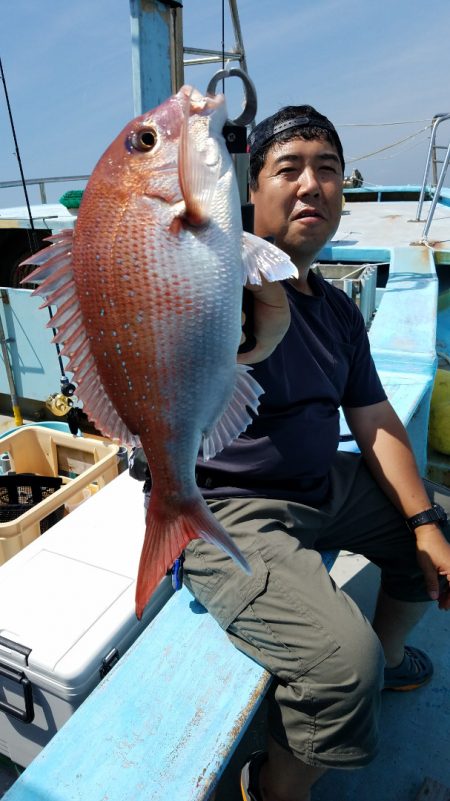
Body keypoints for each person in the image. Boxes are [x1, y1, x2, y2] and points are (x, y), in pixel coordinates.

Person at [130, 105, 450, 801]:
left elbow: (372, 416)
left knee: (432, 529)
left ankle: (392, 655)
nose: (312, 184)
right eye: (290, 168)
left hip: (318, 485)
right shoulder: (220, 279)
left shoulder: (336, 308)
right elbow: (172, 280)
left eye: (328, 170)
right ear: (249, 189)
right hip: (227, 508)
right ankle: (271, 787)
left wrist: (424, 520)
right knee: (343, 667)